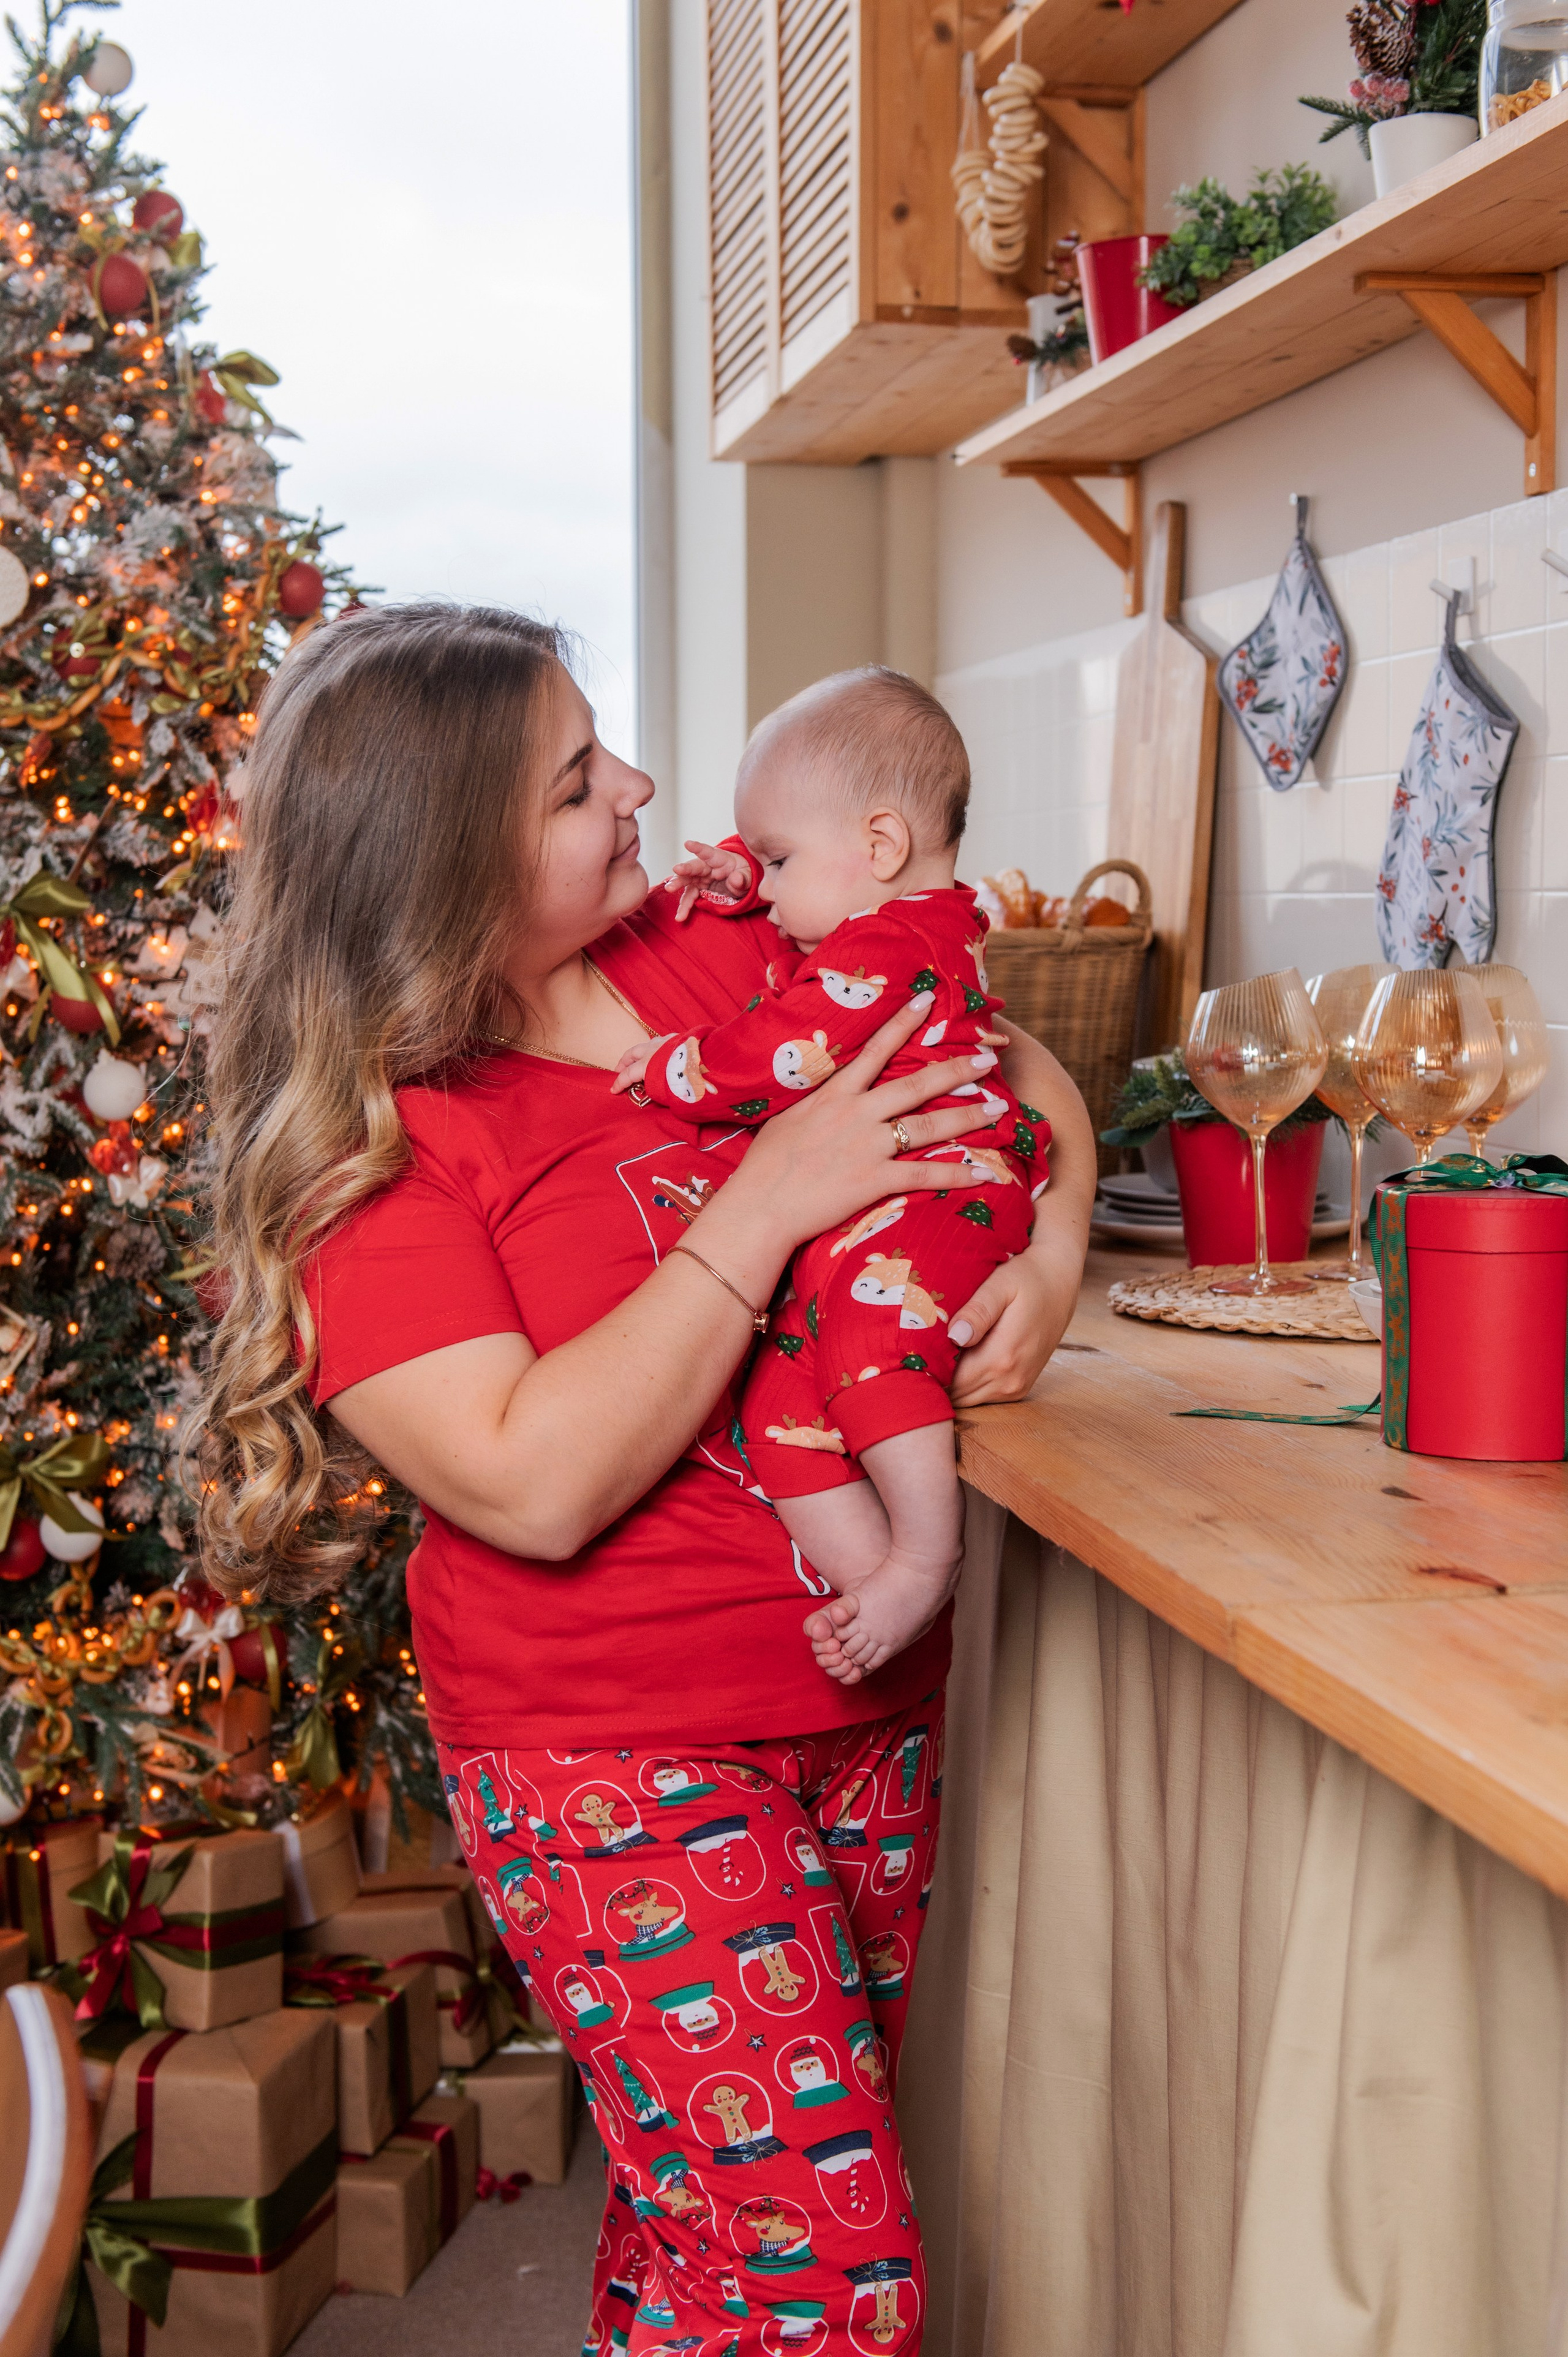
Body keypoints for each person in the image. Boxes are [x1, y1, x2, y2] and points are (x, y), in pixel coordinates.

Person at [194, 605, 1093, 2357]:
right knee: (832, 2284)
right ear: (450, 861)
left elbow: (998, 1051)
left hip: (860, 1708)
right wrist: (770, 1196)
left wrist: (1046, 1257)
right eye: (577, 781)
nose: (643, 790)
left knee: (723, 2245)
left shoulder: (706, 953)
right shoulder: (381, 1153)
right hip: (615, 1761)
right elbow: (528, 1484)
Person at [614, 668, 1038, 1690]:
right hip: (878, 1215)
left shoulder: (894, 940)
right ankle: (877, 1585)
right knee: (783, 1408)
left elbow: (788, 1052)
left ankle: (927, 1557)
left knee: (864, 1346)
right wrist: (750, 881)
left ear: (881, 847)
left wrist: (676, 1067)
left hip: (943, 1189)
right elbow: (814, 939)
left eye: (777, 857)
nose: (766, 886)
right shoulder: (887, 919)